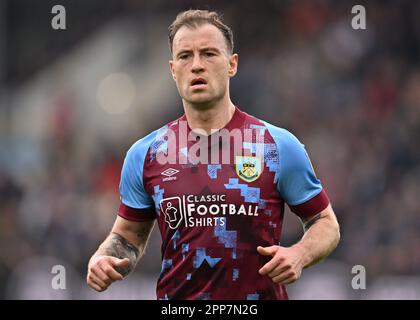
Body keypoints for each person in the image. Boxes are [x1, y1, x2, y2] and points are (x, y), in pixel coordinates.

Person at [86, 9, 340, 300]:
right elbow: (128, 237)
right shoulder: (146, 154)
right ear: (172, 69)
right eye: (185, 56)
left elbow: (325, 223)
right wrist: (104, 258)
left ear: (232, 65)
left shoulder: (276, 145)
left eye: (208, 54)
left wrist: (299, 254)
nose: (196, 66)